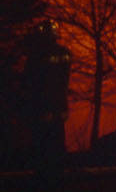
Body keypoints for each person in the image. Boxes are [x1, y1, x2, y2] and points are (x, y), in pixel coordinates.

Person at [22, 20, 71, 186]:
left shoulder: (36, 56)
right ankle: (57, 173)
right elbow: (64, 80)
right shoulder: (65, 53)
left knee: (42, 141)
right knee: (57, 138)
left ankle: (44, 174)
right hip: (58, 105)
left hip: (42, 105)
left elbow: (29, 82)